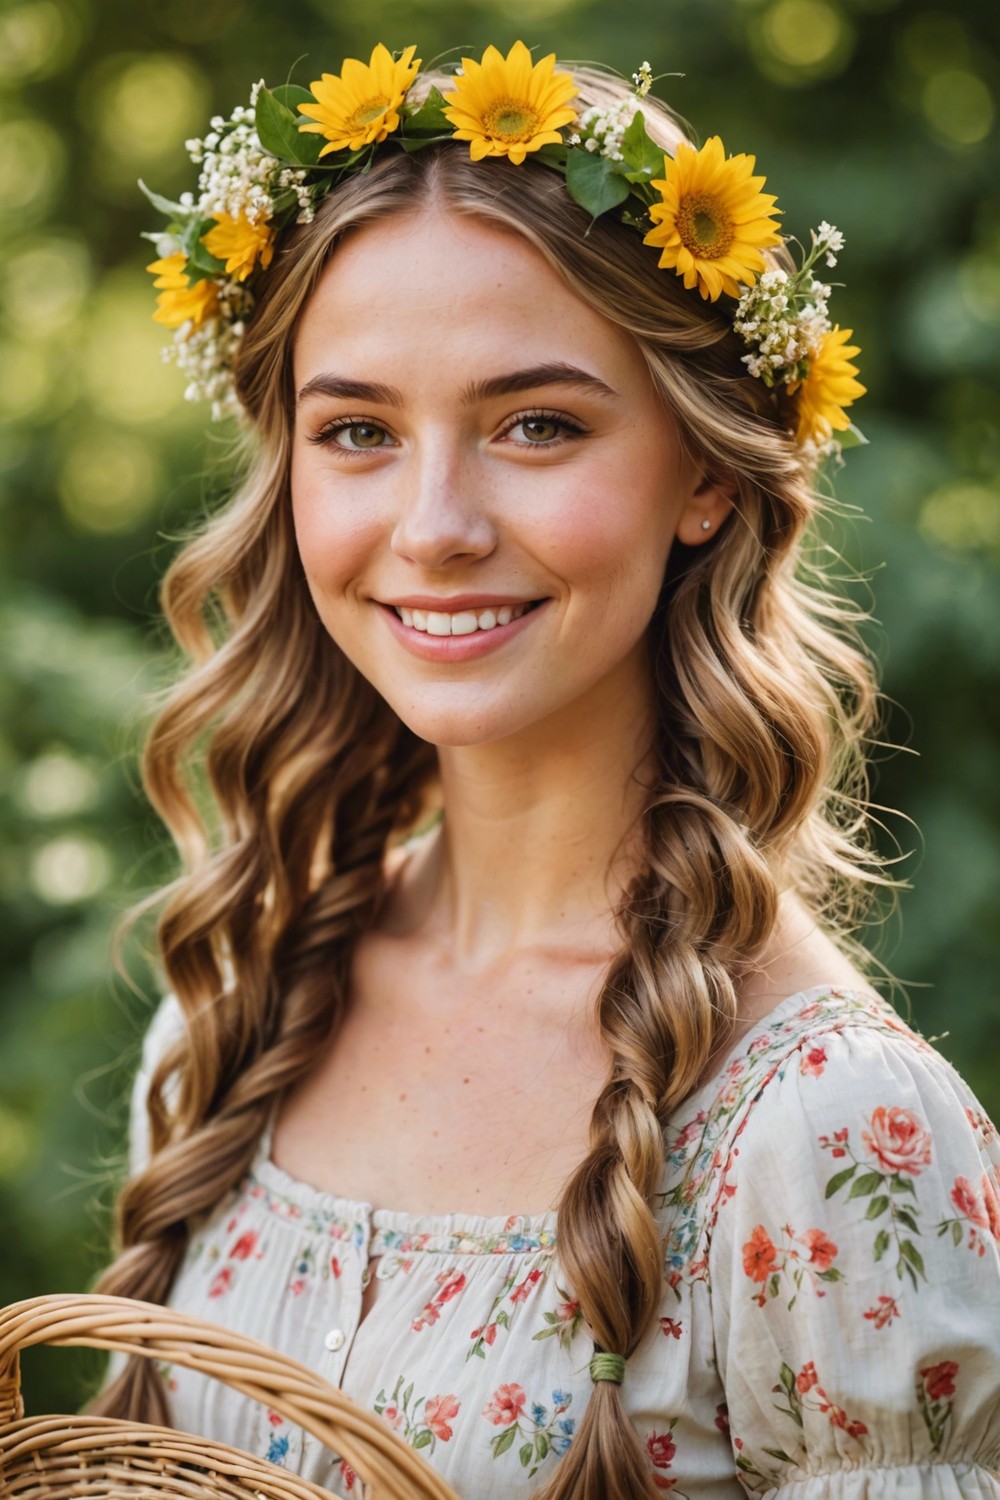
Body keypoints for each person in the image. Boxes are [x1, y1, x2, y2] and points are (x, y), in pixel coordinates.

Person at [91, 41, 1000, 1499]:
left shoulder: (831, 1135)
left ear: (706, 476)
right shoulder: (239, 1007)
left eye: (537, 425)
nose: (435, 523)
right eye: (361, 433)